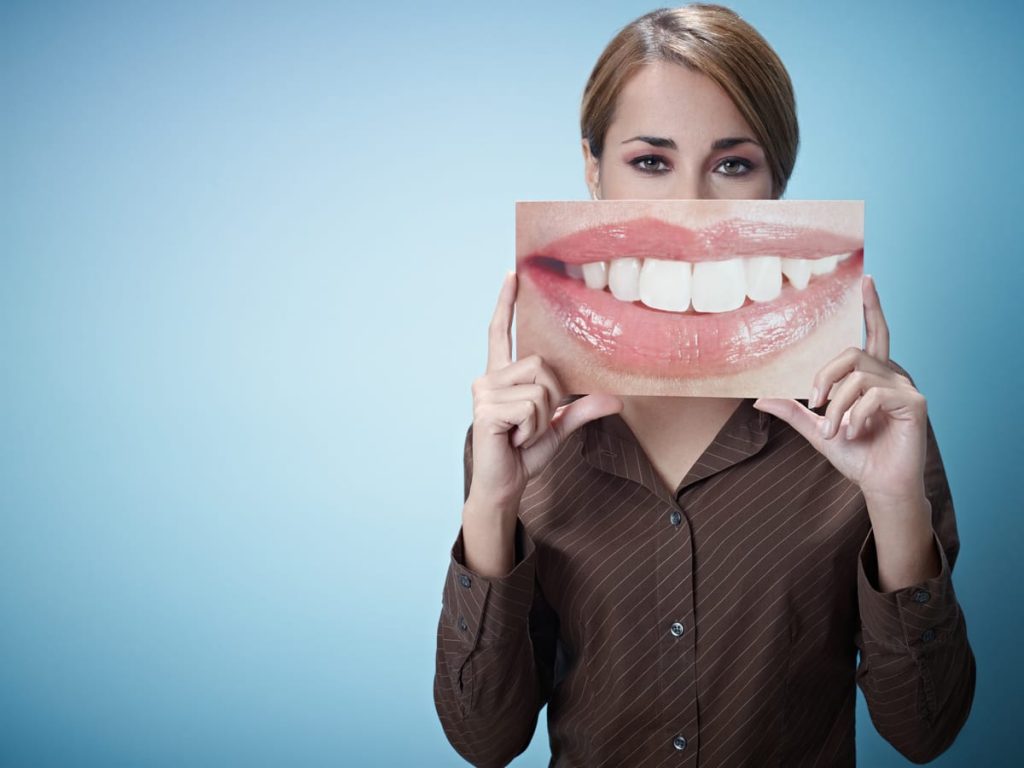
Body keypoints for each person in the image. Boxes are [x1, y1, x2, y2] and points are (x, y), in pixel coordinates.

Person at [433, 4, 976, 766]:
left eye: (732, 164)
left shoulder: (868, 418)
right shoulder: (522, 426)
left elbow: (926, 731)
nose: (690, 210)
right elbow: (483, 740)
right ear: (593, 170)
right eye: (650, 162)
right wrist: (490, 505)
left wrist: (894, 502)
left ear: (776, 184)